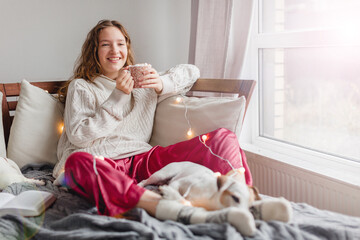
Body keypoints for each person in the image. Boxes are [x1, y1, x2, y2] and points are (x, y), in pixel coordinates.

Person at [53, 19, 253, 228]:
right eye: (105, 44)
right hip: (101, 161)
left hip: (142, 160)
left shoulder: (144, 84)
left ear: (127, 47)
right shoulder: (82, 86)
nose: (115, 50)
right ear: (94, 50)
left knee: (222, 138)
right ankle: (162, 206)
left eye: (120, 43)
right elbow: (79, 135)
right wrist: (118, 96)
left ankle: (243, 199)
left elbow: (192, 71)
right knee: (76, 163)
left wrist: (161, 83)